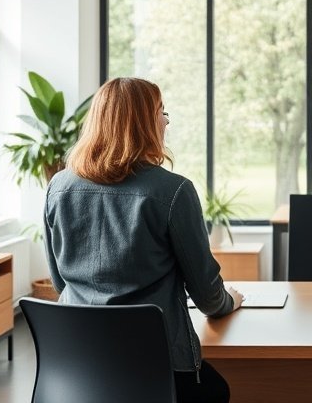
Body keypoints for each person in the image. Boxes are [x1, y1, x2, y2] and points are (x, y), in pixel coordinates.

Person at [44, 77, 243, 403]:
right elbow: (208, 296)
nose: (166, 122)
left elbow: (59, 282)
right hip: (159, 372)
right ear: (144, 124)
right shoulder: (173, 191)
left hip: (79, 368)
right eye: (162, 112)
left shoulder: (58, 187)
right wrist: (229, 301)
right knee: (219, 389)